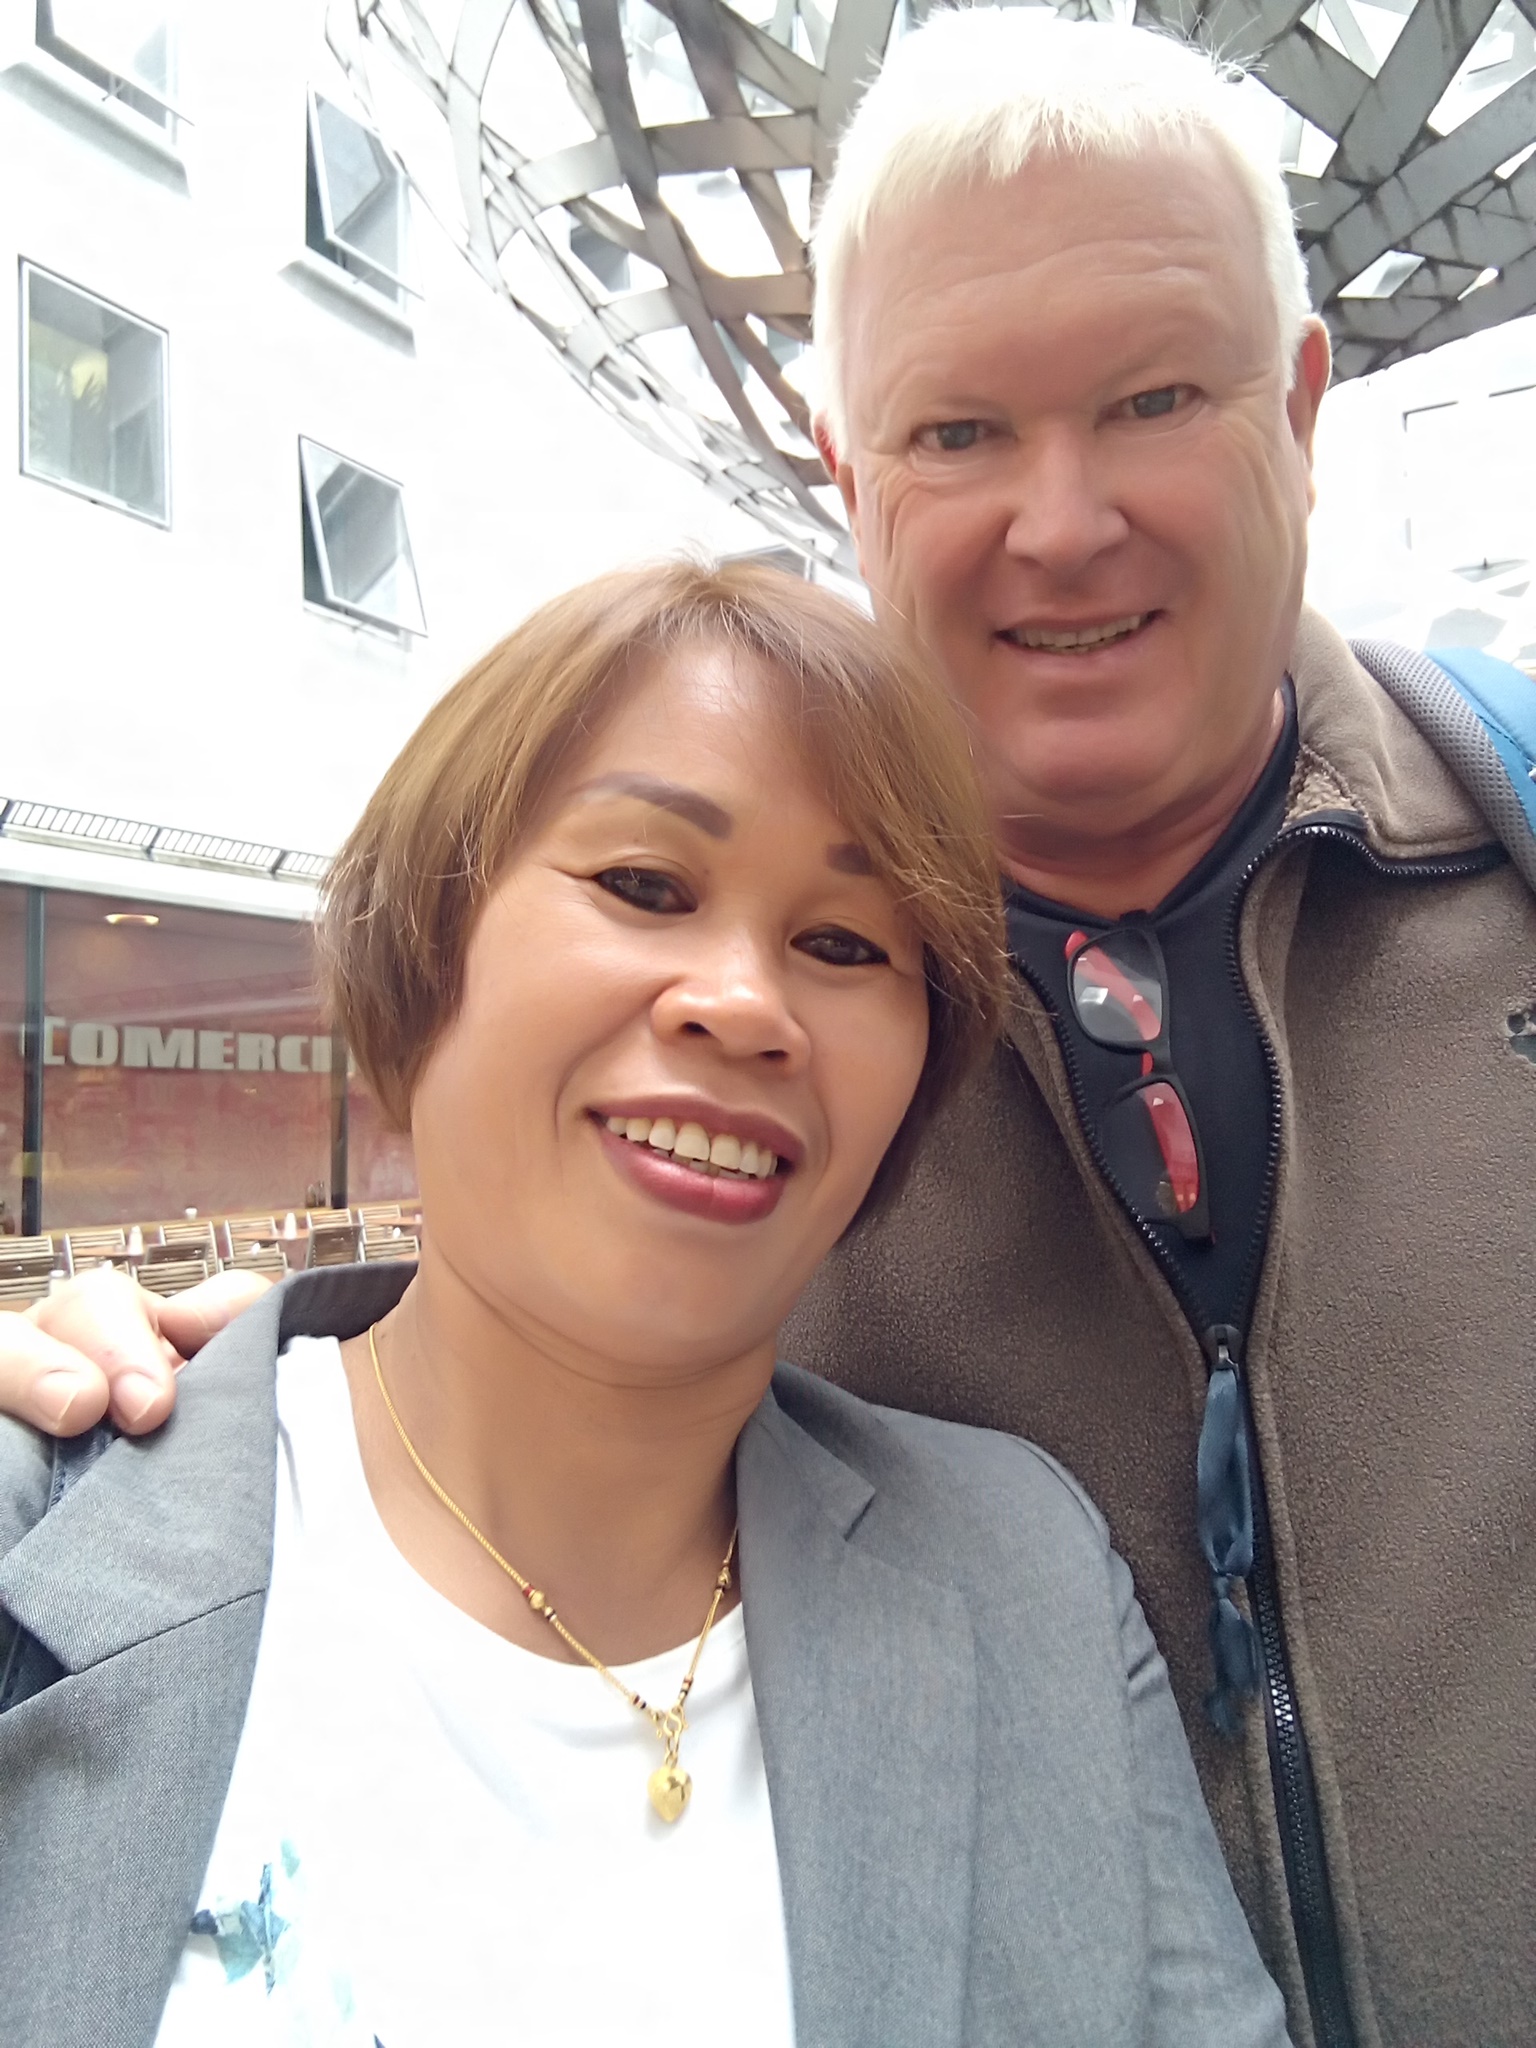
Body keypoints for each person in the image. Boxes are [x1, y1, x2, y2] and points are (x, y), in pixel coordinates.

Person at [3, 15, 1531, 2046]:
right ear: (846, 467)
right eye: (957, 431)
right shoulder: (104, 1530)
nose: (1061, 521)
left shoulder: (1508, 850)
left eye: (1156, 396)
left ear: (1304, 406)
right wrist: (164, 1430)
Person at [0, 562, 1292, 2048]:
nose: (743, 1004)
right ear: (428, 952)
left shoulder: (1031, 1584)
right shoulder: (49, 1531)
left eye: (845, 945)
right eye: (644, 887)